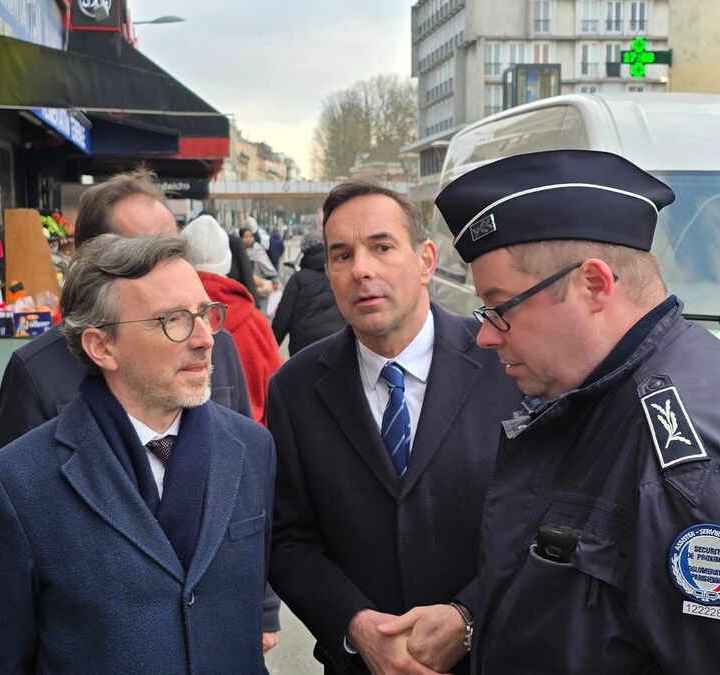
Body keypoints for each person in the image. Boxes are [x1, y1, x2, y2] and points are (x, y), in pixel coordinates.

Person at [435, 149, 720, 673]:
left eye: (499, 309)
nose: (483, 335)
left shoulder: (702, 468)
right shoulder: (606, 397)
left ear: (594, 285)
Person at [0, 235, 276, 672]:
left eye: (205, 313)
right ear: (101, 346)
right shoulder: (19, 484)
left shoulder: (253, 449)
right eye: (173, 320)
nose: (206, 338)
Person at [267, 178, 520, 675]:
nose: (361, 270)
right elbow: (287, 538)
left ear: (426, 260)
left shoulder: (508, 364)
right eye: (341, 256)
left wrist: (468, 616)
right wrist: (357, 626)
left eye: (382, 247)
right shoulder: (294, 389)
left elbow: (545, 518)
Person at [0, 170, 253, 451]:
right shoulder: (38, 371)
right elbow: (19, 484)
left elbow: (239, 454)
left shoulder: (220, 345)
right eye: (145, 252)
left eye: (173, 247)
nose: (167, 263)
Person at [182, 214, 282, 424]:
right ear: (227, 261)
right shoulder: (254, 321)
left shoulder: (164, 318)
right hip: (251, 440)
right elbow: (278, 389)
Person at [271, 232, 345, 356]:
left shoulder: (298, 278)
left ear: (305, 252)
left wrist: (270, 348)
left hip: (303, 349)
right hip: (338, 342)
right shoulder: (339, 274)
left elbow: (282, 318)